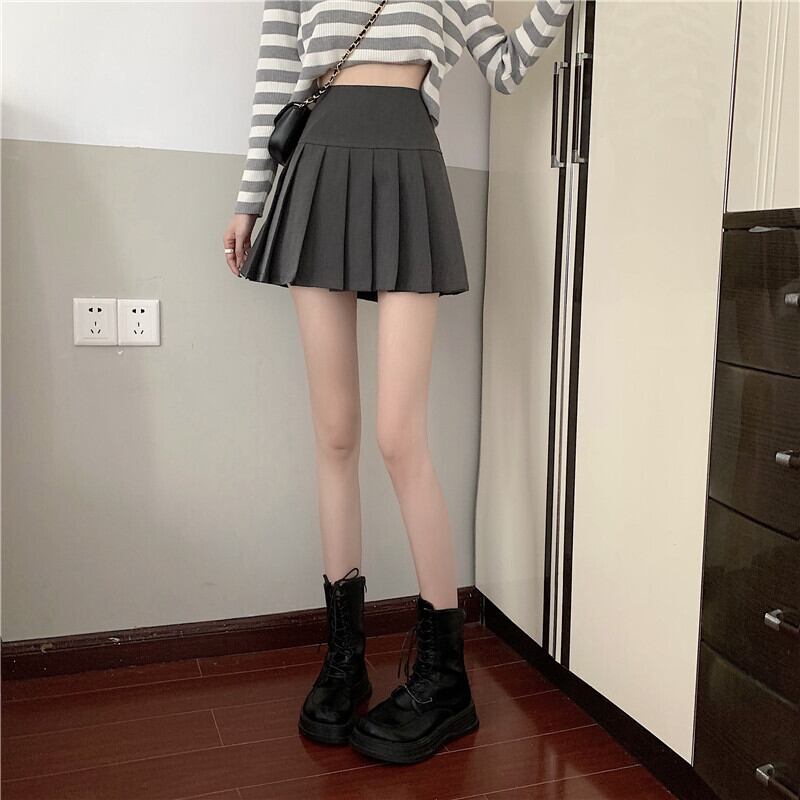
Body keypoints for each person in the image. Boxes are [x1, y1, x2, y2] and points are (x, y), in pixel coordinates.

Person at [222, 0, 573, 765]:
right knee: (335, 435)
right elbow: (277, 80)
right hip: (315, 169)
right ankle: (344, 658)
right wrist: (252, 199)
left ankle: (445, 680)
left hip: (408, 165)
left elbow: (506, 66)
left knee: (398, 437)